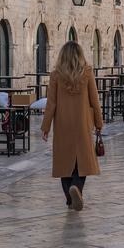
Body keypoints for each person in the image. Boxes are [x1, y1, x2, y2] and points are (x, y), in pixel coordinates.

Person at [40, 41, 104, 211]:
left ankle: (70, 198)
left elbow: (51, 104)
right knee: (82, 163)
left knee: (64, 164)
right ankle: (76, 188)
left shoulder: (55, 75)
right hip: (83, 124)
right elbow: (95, 101)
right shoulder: (88, 73)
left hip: (63, 124)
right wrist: (99, 122)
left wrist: (45, 127)